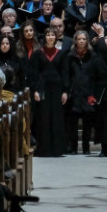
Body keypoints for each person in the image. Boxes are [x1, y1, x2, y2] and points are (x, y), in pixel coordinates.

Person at [28, 29, 67, 157]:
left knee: (56, 118)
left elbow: (65, 74)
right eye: (48, 35)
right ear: (44, 37)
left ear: (55, 38)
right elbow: (33, 74)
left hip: (57, 90)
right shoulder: (37, 54)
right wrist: (35, 90)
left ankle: (57, 149)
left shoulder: (61, 54)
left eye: (52, 35)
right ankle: (43, 149)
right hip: (42, 89)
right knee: (43, 118)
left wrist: (65, 91)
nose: (50, 37)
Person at [65, 31, 102, 155]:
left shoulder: (93, 56)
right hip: (74, 93)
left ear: (87, 41)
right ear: (75, 41)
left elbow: (97, 76)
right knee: (73, 124)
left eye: (84, 39)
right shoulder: (70, 56)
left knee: (87, 123)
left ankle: (86, 147)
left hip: (88, 93)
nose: (81, 41)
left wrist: (94, 94)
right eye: (79, 39)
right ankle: (74, 147)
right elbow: (67, 75)